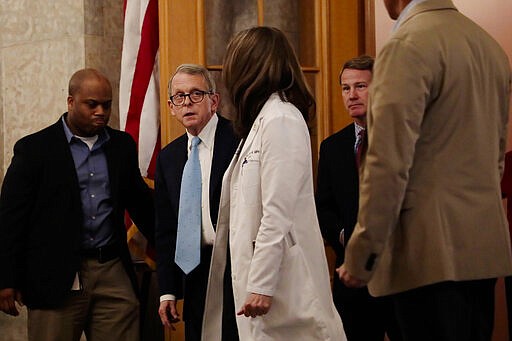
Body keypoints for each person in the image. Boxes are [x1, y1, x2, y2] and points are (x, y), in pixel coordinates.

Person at [338, 1, 512, 340]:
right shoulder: (489, 47)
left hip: (425, 256)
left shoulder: (406, 45)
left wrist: (362, 253)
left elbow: (386, 164)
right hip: (483, 248)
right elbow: (496, 158)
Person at [202, 26, 346, 341]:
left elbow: (277, 211)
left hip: (283, 292)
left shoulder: (281, 119)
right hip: (266, 291)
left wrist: (261, 284)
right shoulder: (262, 122)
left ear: (251, 68)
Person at [0, 68, 155, 341]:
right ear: (71, 102)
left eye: (106, 105)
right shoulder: (35, 149)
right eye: (91, 104)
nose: (100, 112)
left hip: (111, 269)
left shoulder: (121, 146)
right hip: (56, 274)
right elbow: (11, 220)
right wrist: (6, 280)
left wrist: (173, 250)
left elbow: (141, 204)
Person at [316, 55, 401, 341]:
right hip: (350, 277)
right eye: (345, 88)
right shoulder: (331, 148)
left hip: (400, 271)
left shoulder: (402, 139)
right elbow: (323, 207)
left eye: (361, 86)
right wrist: (344, 236)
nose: (351, 95)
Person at [154, 64, 239, 341]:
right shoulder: (168, 158)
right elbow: (166, 230)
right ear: (171, 106)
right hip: (195, 275)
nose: (187, 102)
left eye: (196, 94)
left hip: (237, 268)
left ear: (214, 101)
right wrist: (167, 290)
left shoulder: (240, 140)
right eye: (179, 97)